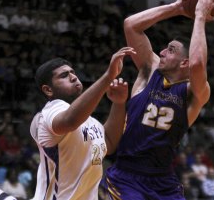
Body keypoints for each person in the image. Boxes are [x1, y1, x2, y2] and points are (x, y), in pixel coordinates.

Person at [103, 0, 214, 199]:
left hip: (163, 181)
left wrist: (200, 17)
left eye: (171, 49)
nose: (162, 52)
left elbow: (197, 65)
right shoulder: (150, 70)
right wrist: (177, 7)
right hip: (127, 176)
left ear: (184, 61)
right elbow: (131, 25)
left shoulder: (193, 93)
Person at [30, 47, 136, 200]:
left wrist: (118, 103)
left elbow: (110, 143)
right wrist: (108, 77)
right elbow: (70, 120)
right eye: (64, 76)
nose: (73, 77)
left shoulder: (89, 120)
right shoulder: (50, 112)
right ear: (48, 90)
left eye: (73, 72)